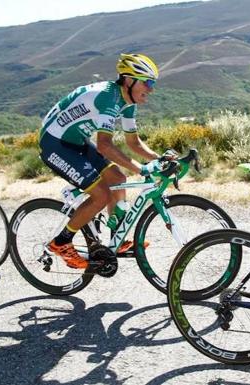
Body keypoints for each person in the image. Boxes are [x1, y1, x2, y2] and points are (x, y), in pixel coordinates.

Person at [39, 53, 174, 269]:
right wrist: (141, 169)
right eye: (148, 83)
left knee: (118, 179)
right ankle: (61, 242)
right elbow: (104, 145)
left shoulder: (128, 100)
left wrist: (160, 160)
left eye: (153, 83)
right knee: (101, 194)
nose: (151, 89)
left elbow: (134, 143)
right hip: (55, 143)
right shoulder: (107, 97)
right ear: (129, 80)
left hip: (77, 140)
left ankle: (116, 240)